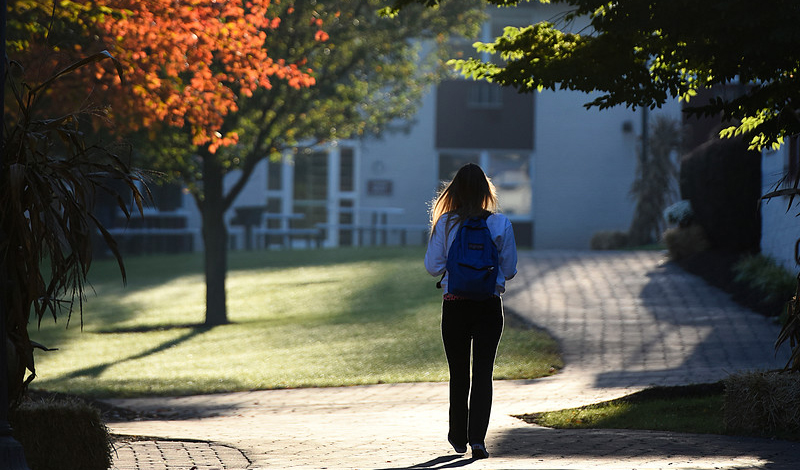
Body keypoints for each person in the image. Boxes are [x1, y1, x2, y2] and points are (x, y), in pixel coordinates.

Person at [424, 163, 518, 460]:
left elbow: (433, 267)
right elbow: (511, 270)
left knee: (459, 374)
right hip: (489, 306)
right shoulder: (500, 223)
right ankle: (478, 440)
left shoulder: (446, 223)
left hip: (455, 306)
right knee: (483, 374)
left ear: (455, 191)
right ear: (485, 192)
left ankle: (458, 436)